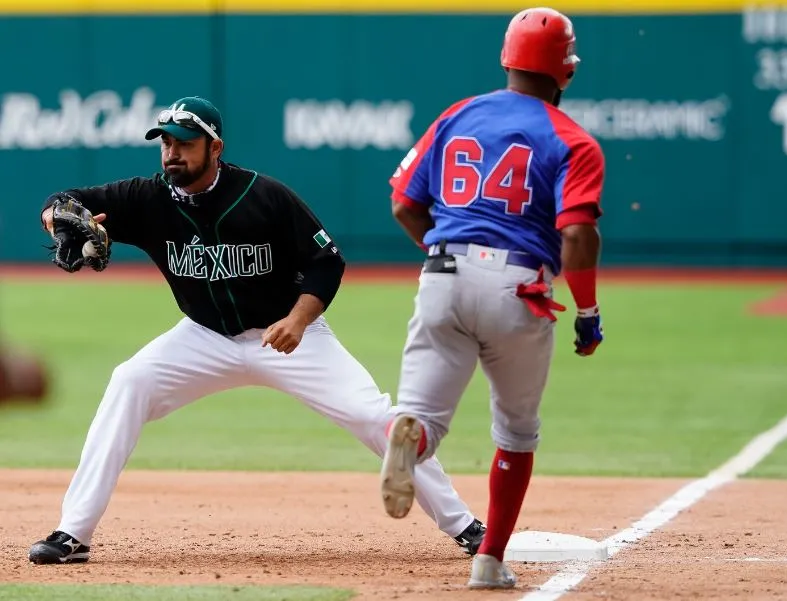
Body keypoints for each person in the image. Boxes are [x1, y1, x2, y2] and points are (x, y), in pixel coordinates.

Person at [28, 96, 486, 565]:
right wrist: (57, 221)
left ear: (215, 147)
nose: (172, 153)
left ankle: (465, 526)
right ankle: (73, 532)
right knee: (129, 381)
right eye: (165, 142)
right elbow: (64, 201)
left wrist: (298, 320)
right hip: (204, 337)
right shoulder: (146, 198)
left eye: (184, 143)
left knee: (373, 416)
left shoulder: (264, 196)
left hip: (288, 336)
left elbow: (327, 262)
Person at [378, 7, 605, 589]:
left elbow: (404, 203)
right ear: (567, 69)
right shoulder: (573, 140)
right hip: (517, 287)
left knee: (423, 417)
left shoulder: (458, 114)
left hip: (443, 273)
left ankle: (412, 439)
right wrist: (587, 312)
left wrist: (446, 261)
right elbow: (578, 235)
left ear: (506, 58)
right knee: (516, 432)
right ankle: (489, 560)